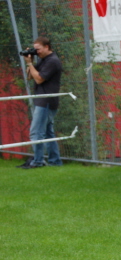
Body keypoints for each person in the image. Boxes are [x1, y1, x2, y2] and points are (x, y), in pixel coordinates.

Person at [18, 36, 63, 169]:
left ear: (47, 47)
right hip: (43, 100)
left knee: (36, 132)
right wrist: (30, 61)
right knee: (48, 133)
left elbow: (39, 79)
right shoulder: (43, 60)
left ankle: (37, 162)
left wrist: (31, 64)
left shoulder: (52, 61)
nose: (36, 52)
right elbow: (30, 76)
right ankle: (55, 161)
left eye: (38, 49)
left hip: (46, 100)